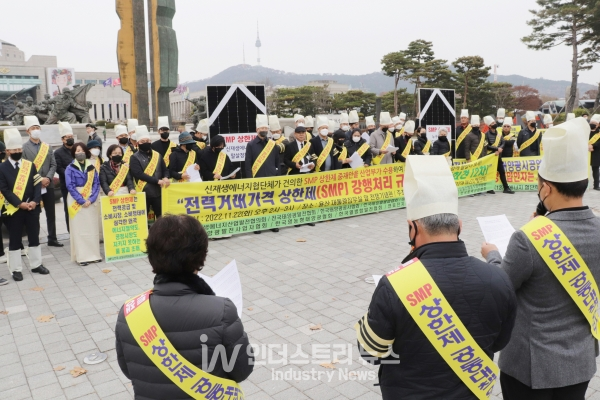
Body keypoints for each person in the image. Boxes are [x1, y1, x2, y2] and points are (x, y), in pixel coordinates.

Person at [357, 155, 517, 399]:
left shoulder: (395, 285)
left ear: (413, 228)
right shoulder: (498, 278)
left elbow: (371, 352)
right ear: (460, 226)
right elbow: (499, 343)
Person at [481, 117, 598, 399]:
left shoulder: (528, 238)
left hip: (531, 367)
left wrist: (494, 255)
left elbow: (502, 288)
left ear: (546, 188)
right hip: (580, 363)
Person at [115, 215, 254, 398]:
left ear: (151, 256)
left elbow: (128, 370)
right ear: (201, 255)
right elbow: (242, 370)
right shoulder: (221, 311)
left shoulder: (129, 312)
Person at [0, 129, 48, 282]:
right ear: (8, 151)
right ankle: (16, 269)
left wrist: (34, 201)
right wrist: (19, 204)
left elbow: (36, 185)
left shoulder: (30, 165)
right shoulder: (2, 168)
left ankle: (36, 264)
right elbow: (4, 190)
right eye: (14, 150)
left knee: (34, 237)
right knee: (15, 240)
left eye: (19, 149)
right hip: (14, 209)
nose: (18, 152)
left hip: (32, 208)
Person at [21, 116, 62, 247]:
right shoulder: (24, 148)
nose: (36, 130)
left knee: (51, 213)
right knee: (35, 214)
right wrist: (40, 179)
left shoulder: (47, 147)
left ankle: (52, 238)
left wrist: (48, 178)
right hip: (34, 186)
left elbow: (53, 164)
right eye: (33, 128)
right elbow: (25, 168)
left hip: (48, 184)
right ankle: (35, 239)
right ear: (28, 131)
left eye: (38, 128)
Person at [65, 142, 102, 266]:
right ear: (73, 153)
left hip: (91, 198)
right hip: (76, 199)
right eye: (77, 151)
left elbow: (96, 184)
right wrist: (81, 200)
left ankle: (94, 254)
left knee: (92, 227)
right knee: (79, 229)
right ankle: (82, 257)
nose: (79, 153)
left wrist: (91, 199)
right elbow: (70, 186)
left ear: (85, 152)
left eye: (81, 150)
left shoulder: (91, 167)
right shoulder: (70, 168)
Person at [130, 126, 170, 219]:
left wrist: (166, 177)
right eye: (142, 142)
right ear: (137, 143)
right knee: (142, 219)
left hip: (158, 193)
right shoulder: (134, 157)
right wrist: (157, 181)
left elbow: (165, 169)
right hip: (143, 192)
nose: (146, 143)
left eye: (147, 141)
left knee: (162, 217)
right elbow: (138, 174)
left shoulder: (157, 155)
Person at [483, 116, 514, 194]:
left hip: (498, 156)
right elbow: (486, 145)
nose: (494, 124)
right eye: (492, 123)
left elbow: (503, 142)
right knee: (490, 173)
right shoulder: (485, 134)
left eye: (494, 122)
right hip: (490, 156)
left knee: (502, 172)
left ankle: (506, 188)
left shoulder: (499, 133)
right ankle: (489, 188)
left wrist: (499, 149)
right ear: (489, 126)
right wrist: (496, 149)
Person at [54, 122, 75, 231]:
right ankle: (70, 230)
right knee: (69, 208)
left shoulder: (78, 149)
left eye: (71, 137)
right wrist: (70, 175)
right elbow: (58, 168)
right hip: (66, 185)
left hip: (80, 185)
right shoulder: (58, 152)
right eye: (68, 137)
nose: (70, 139)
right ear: (63, 139)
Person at [244, 114, 280, 179]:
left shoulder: (272, 144)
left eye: (266, 128)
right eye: (262, 128)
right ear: (257, 129)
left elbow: (277, 162)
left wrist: (277, 175)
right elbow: (248, 165)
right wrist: (250, 179)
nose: (264, 130)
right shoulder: (251, 145)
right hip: (257, 178)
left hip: (272, 177)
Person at [589, 114, 600, 190]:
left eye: (595, 123)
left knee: (595, 170)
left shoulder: (599, 133)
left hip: (596, 153)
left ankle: (596, 185)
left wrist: (593, 146)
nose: (593, 125)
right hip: (586, 153)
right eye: (592, 123)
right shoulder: (586, 131)